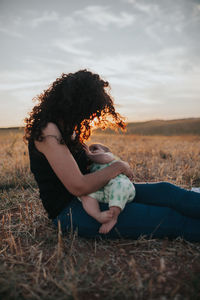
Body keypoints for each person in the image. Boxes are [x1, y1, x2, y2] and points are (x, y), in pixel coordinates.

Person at [25, 69, 200, 242]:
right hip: (71, 210)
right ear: (75, 105)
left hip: (100, 192)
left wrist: (95, 152)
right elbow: (78, 186)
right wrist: (119, 167)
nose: (87, 118)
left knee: (165, 191)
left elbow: (79, 164)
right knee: (167, 217)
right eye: (87, 112)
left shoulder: (68, 127)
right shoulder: (48, 131)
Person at [78, 143, 136, 234]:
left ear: (106, 152)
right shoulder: (92, 165)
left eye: (95, 148)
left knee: (118, 185)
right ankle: (98, 215)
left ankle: (113, 217)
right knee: (85, 194)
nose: (92, 150)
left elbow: (104, 158)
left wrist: (89, 155)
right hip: (104, 191)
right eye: (90, 149)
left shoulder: (108, 157)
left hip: (120, 187)